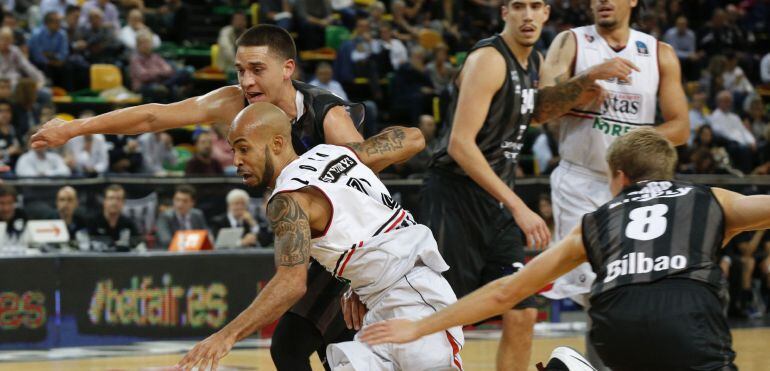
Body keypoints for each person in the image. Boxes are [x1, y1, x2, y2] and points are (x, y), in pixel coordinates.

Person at [31, 24, 366, 370]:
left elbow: (370, 196)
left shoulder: (328, 116)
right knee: (289, 348)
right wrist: (73, 128)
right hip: (315, 249)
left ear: (287, 69)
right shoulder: (235, 103)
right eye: (240, 70)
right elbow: (152, 115)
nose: (247, 81)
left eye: (257, 70)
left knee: (331, 350)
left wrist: (356, 275)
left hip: (351, 249)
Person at [362, 128, 770, 371]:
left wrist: (418, 327)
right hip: (690, 315)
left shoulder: (596, 221)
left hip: (618, 323)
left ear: (619, 177)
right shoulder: (709, 198)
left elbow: (509, 291)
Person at [421, 1, 637, 370]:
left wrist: (585, 83)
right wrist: (519, 206)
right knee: (446, 315)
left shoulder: (531, 62)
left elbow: (535, 110)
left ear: (547, 13)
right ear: (504, 12)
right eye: (518, 6)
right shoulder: (489, 59)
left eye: (536, 6)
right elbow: (460, 144)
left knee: (522, 312)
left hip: (495, 202)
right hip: (455, 197)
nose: (528, 15)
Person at [176, 102, 462, 371]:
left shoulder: (287, 200)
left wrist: (227, 336)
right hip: (387, 298)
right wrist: (361, 277)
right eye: (233, 150)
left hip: (413, 299)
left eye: (243, 149)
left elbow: (291, 283)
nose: (236, 161)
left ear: (277, 143)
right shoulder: (337, 154)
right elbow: (413, 138)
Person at [540, 2, 690, 367]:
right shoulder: (570, 42)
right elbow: (540, 109)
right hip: (581, 180)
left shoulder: (660, 53)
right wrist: (588, 79)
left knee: (637, 285)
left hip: (636, 185)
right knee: (599, 290)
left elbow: (681, 127)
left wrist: (627, 146)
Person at [87, 184, 140, 251]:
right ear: (104, 201)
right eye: (111, 198)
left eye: (118, 199)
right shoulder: (92, 222)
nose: (114, 202)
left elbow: (138, 246)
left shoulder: (129, 224)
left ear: (123, 202)